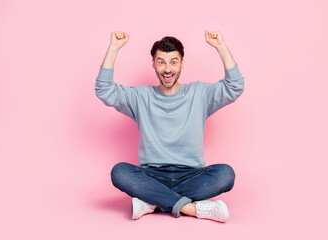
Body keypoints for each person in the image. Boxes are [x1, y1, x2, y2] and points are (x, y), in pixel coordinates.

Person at [95, 30, 244, 222]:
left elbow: (235, 86)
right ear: (153, 64)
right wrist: (113, 48)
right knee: (119, 172)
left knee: (225, 174)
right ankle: (192, 208)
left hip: (191, 175)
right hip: (151, 174)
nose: (167, 69)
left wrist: (221, 46)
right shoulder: (139, 97)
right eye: (161, 62)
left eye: (173, 62)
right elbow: (104, 89)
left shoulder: (199, 93)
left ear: (182, 63)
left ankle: (153, 201)